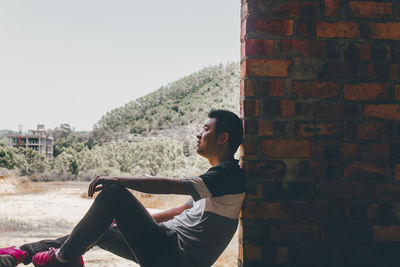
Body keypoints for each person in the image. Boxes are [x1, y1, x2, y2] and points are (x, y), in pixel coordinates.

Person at [0, 109, 245, 267]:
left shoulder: (229, 175)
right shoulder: (215, 180)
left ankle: (62, 260)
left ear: (223, 138)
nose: (198, 135)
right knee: (101, 230)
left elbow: (172, 186)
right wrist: (126, 222)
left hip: (174, 256)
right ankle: (21, 254)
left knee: (114, 195)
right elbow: (180, 210)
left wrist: (121, 180)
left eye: (206, 129)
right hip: (164, 246)